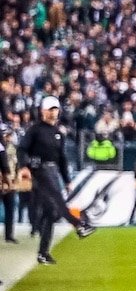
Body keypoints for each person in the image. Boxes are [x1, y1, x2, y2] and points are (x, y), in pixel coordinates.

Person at [17, 96, 94, 264]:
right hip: (39, 171)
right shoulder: (35, 130)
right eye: (50, 109)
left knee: (51, 213)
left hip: (52, 171)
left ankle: (43, 253)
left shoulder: (58, 133)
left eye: (55, 109)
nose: (53, 112)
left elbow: (62, 159)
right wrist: (24, 167)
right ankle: (79, 225)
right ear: (42, 111)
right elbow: (22, 149)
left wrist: (67, 180)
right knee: (57, 200)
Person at [1, 126, 18, 243]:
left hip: (10, 180)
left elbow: (16, 164)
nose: (8, 137)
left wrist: (15, 179)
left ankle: (9, 234)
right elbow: (5, 166)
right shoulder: (1, 148)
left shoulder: (13, 148)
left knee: (10, 209)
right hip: (3, 181)